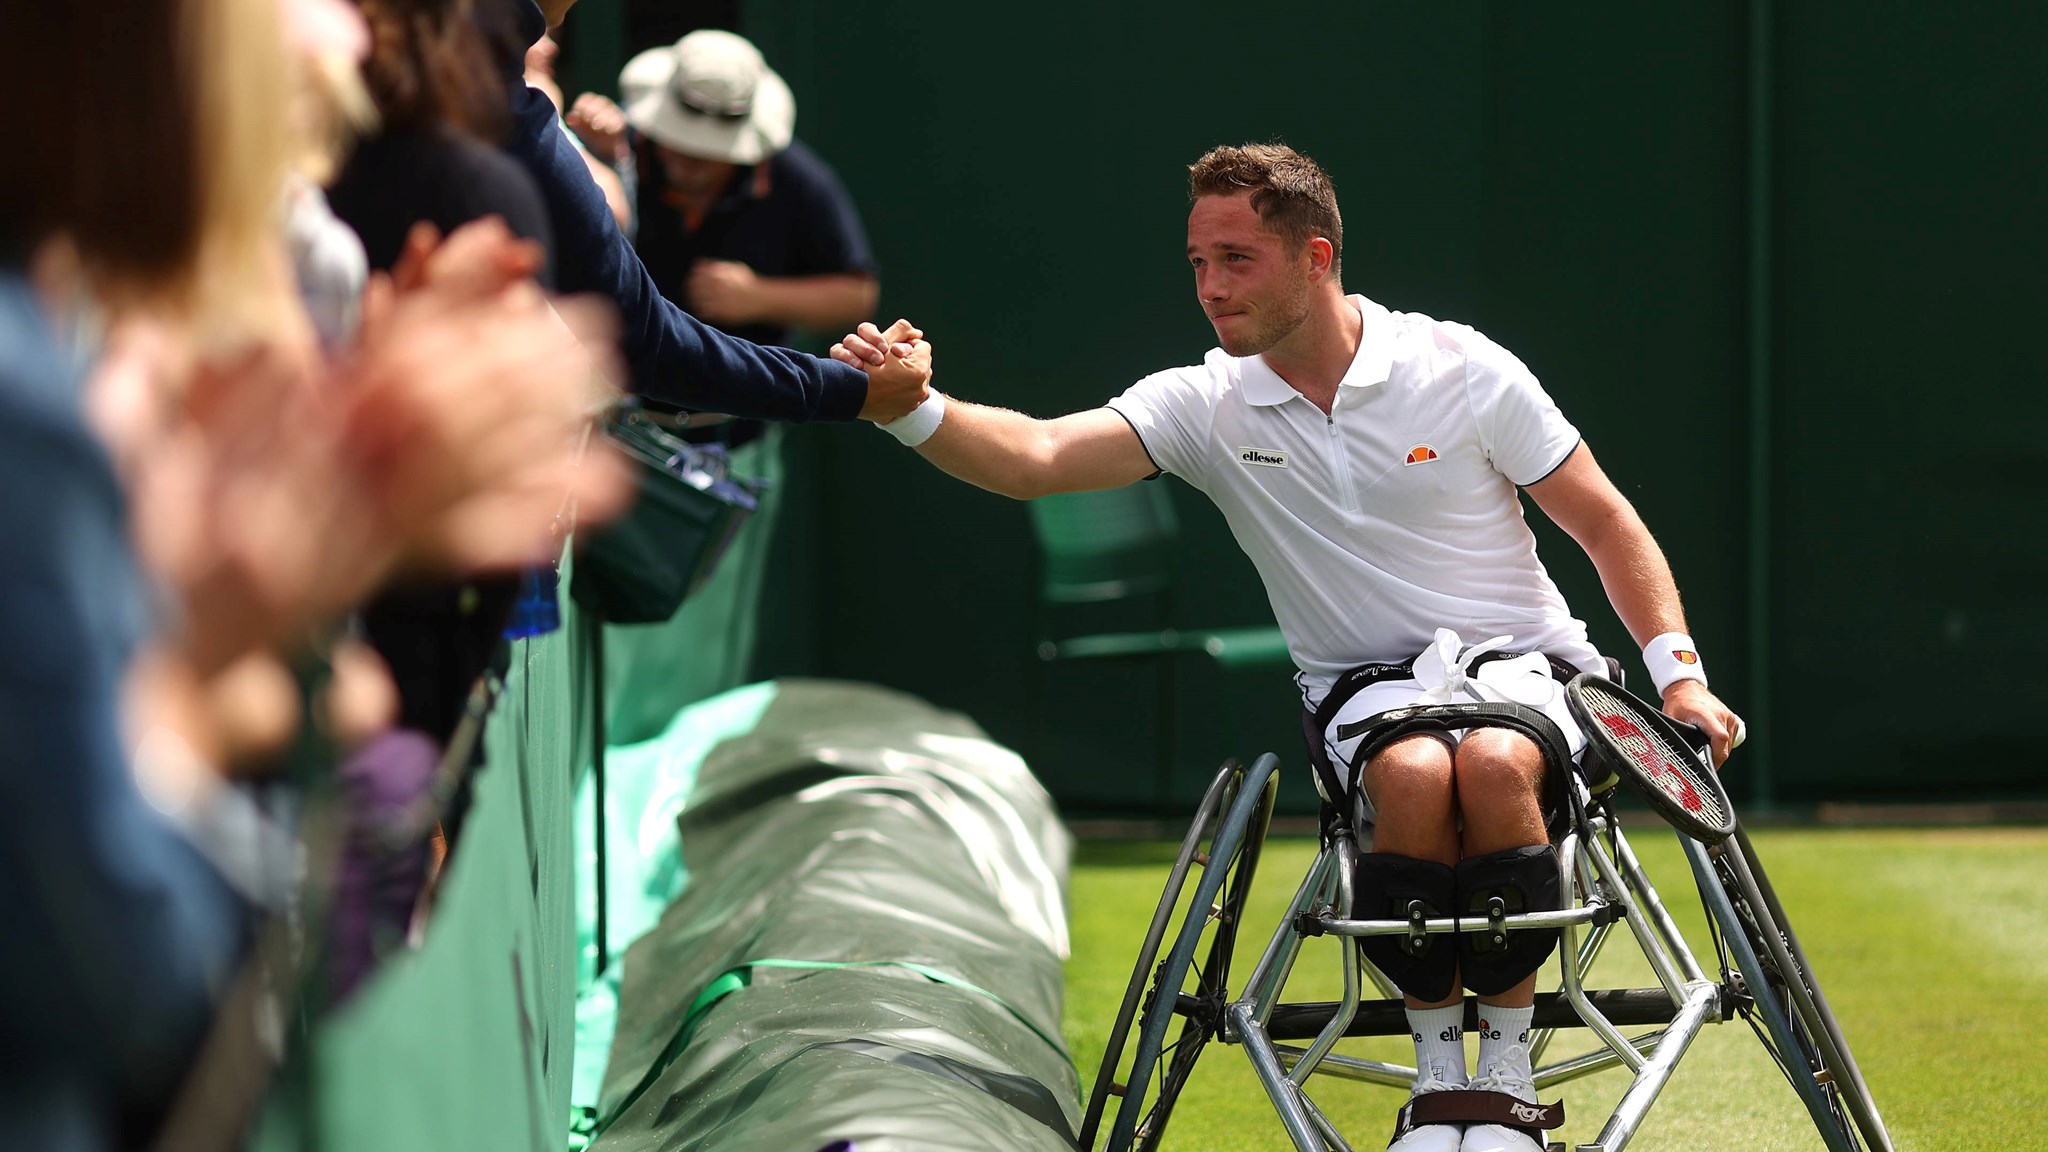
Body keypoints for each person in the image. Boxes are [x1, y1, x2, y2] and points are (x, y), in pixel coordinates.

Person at [829, 143, 1742, 1152]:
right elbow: (1037, 459)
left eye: (1235, 260)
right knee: (1406, 774)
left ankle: (1506, 1078)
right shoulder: (1203, 403)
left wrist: (1679, 678)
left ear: (1314, 257)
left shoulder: (1462, 370)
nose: (1209, 288)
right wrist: (906, 409)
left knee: (1487, 760)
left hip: (1527, 670)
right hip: (1365, 692)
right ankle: (1440, 1084)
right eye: (1196, 263)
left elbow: (1606, 524)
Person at [497, 0, 924, 424]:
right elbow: (643, 337)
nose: (686, 162)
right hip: (627, 421)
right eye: (677, 143)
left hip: (734, 430)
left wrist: (759, 297)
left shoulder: (799, 178)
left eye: (706, 154)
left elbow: (857, 291)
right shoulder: (608, 148)